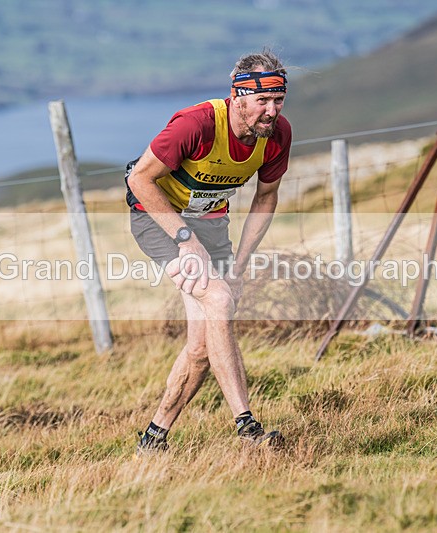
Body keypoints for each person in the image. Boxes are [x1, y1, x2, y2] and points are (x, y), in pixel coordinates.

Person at [125, 49, 292, 453]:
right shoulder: (196, 124)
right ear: (238, 96)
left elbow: (266, 198)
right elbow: (139, 180)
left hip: (212, 222)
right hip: (159, 216)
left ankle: (153, 437)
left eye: (278, 101)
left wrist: (238, 265)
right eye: (262, 101)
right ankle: (248, 428)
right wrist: (186, 241)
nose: (271, 111)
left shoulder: (277, 135)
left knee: (202, 344)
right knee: (218, 300)